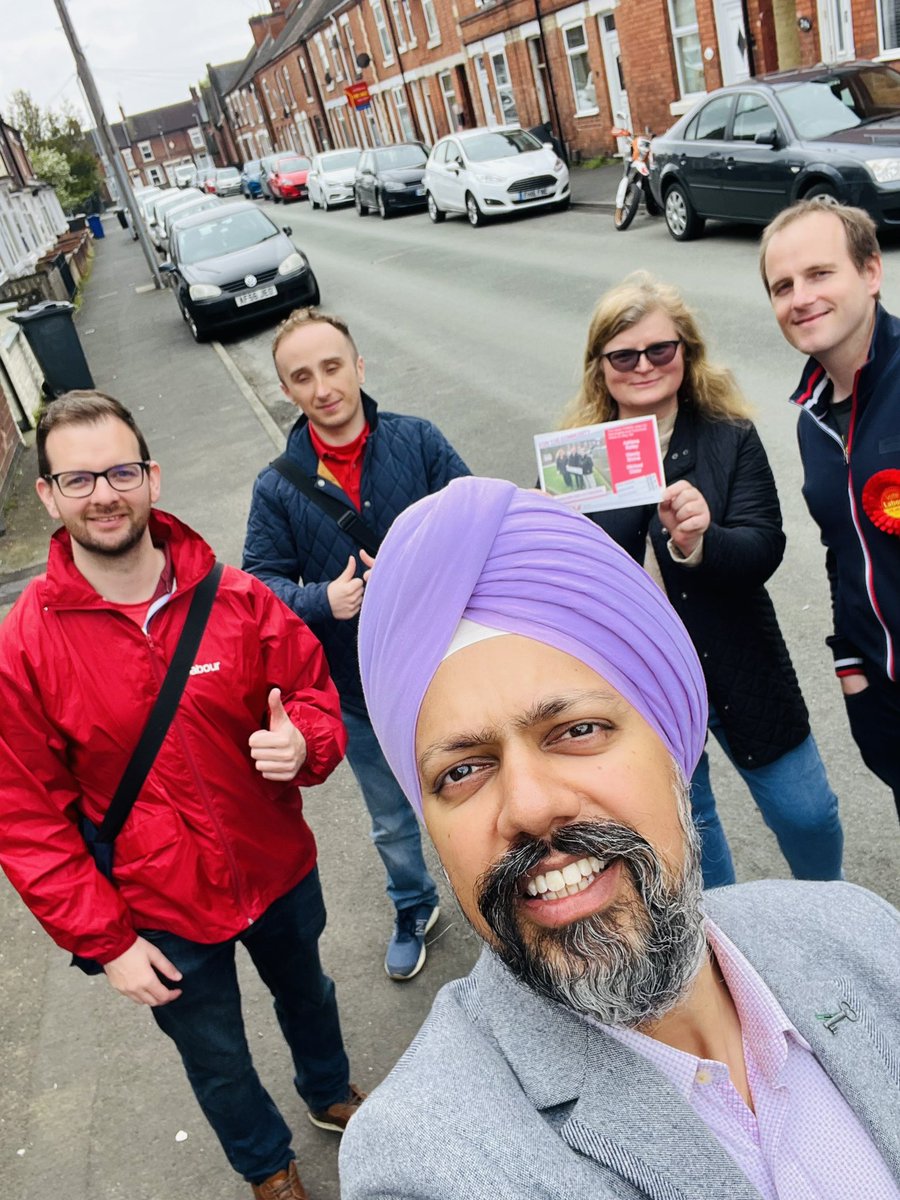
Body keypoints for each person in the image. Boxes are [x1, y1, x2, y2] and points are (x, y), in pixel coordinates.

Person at [341, 477, 900, 1199]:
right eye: (463, 771)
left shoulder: (858, 933)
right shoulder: (423, 1160)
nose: (531, 806)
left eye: (576, 731)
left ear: (675, 748)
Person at [0, 391, 363, 1200]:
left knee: (310, 993)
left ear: (152, 478)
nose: (104, 494)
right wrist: (107, 943)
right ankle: (268, 1168)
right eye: (80, 478)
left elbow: (310, 688)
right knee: (218, 1057)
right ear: (48, 495)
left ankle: (330, 1091)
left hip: (274, 867)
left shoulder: (233, 598)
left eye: (121, 471)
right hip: (159, 907)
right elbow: (28, 822)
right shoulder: (22, 647)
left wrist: (306, 741)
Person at [559, 272, 842, 886]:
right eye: (623, 354)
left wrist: (699, 543)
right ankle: (727, 946)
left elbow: (764, 545)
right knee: (693, 826)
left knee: (807, 812)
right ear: (599, 364)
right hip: (643, 675)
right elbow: (569, 585)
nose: (644, 365)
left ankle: (833, 912)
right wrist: (542, 524)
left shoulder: (728, 436)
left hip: (740, 657)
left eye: (661, 349)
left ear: (686, 352)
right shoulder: (578, 459)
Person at [243, 308, 470, 980]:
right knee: (393, 821)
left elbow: (474, 519)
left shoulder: (417, 441)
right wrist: (323, 601)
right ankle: (413, 905)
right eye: (302, 376)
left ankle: (507, 900)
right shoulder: (277, 485)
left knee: (481, 793)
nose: (323, 387)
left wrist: (420, 567)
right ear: (288, 390)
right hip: (357, 689)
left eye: (333, 366)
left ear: (359, 366)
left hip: (447, 668)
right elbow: (259, 586)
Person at [761, 198, 900, 820]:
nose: (800, 298)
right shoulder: (813, 419)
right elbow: (841, 549)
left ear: (871, 272)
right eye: (782, 286)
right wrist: (852, 669)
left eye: (820, 274)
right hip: (885, 695)